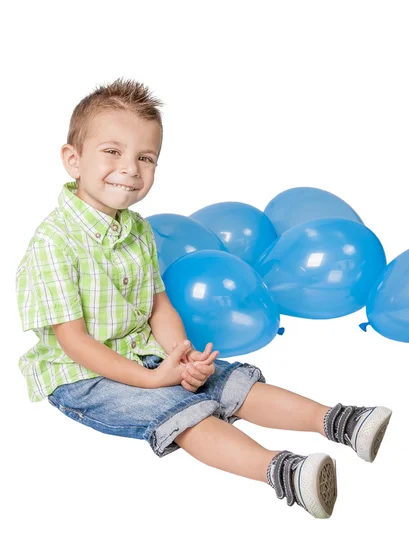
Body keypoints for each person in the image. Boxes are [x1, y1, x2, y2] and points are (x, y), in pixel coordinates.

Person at [15, 78, 392, 519]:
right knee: (183, 410)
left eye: (146, 157)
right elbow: (74, 341)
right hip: (82, 375)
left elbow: (158, 304)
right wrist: (155, 380)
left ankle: (339, 420)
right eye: (112, 152)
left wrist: (181, 355)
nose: (131, 168)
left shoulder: (136, 229)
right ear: (73, 160)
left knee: (229, 382)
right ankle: (283, 471)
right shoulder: (53, 242)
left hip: (144, 351)